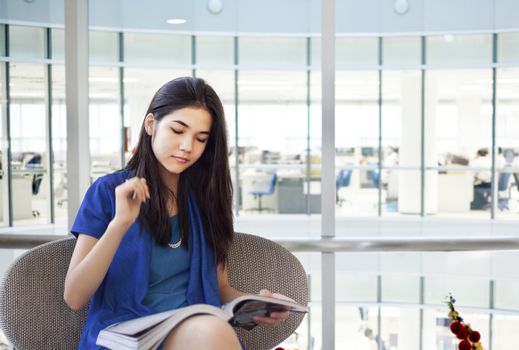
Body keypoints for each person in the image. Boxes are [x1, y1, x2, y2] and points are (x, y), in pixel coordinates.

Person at [64, 77, 290, 350]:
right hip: (127, 336)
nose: (187, 146)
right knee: (210, 329)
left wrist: (254, 306)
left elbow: (219, 289)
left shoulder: (207, 200)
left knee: (210, 328)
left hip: (196, 331)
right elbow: (74, 296)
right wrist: (120, 224)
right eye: (177, 130)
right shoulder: (108, 191)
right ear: (151, 124)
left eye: (200, 138)